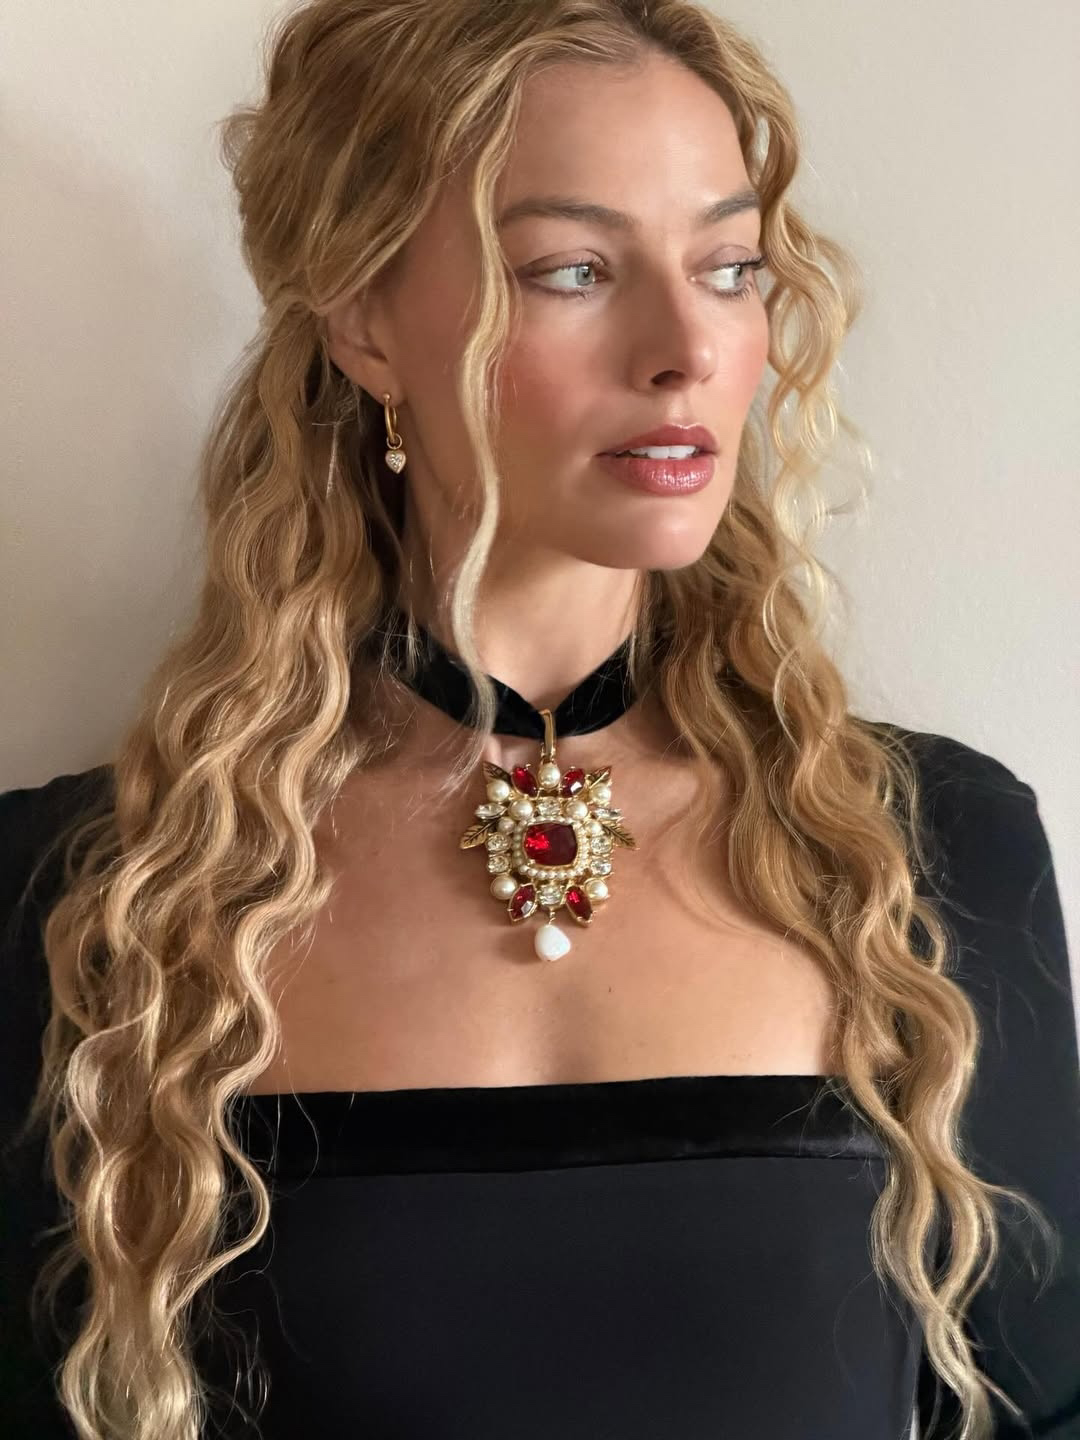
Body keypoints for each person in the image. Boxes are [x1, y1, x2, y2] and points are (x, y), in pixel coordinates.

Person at [2, 1, 1078, 1437]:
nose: (687, 348)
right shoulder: (96, 905)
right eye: (573, 269)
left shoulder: (926, 852)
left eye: (730, 268)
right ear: (364, 318)